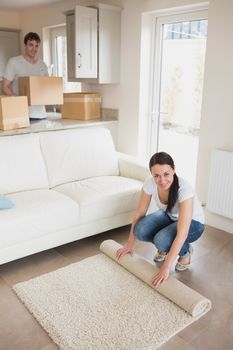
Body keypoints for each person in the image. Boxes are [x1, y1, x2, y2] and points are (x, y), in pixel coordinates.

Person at [116, 152, 204, 289]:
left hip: (193, 224)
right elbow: (139, 213)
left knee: (161, 240)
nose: (162, 180)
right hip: (169, 216)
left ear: (174, 170)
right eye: (156, 175)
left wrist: (165, 267)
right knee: (140, 229)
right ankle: (165, 246)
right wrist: (129, 244)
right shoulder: (150, 183)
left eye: (166, 174)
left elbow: (182, 232)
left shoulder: (184, 189)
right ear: (151, 174)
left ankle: (185, 252)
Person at [2, 32, 48, 118]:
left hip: (40, 114)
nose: (34, 48)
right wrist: (18, 101)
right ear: (25, 46)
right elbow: (5, 86)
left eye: (36, 46)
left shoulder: (43, 65)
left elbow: (45, 87)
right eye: (31, 45)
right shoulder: (14, 62)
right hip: (20, 114)